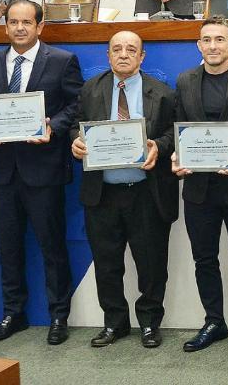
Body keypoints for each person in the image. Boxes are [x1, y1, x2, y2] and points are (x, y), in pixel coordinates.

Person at [0, 0, 83, 346]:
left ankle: (58, 315)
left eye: (26, 22)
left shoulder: (63, 60)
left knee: (52, 246)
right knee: (9, 246)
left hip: (44, 169)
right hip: (4, 170)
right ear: (5, 26)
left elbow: (76, 104)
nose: (19, 28)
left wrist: (54, 126)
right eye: (13, 22)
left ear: (40, 27)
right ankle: (13, 313)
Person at [70, 31, 176, 349]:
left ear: (142, 57)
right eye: (117, 49)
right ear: (108, 55)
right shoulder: (91, 89)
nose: (124, 54)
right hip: (103, 193)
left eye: (132, 49)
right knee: (107, 263)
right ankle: (115, 323)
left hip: (146, 192)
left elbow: (175, 132)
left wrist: (159, 145)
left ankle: (148, 324)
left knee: (151, 264)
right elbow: (77, 125)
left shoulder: (162, 92)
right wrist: (75, 141)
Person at [172, 17, 228, 357]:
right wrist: (174, 156)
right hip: (197, 189)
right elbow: (177, 128)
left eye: (219, 40)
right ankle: (214, 321)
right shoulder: (184, 81)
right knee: (204, 259)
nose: (213, 46)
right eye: (207, 40)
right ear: (199, 45)